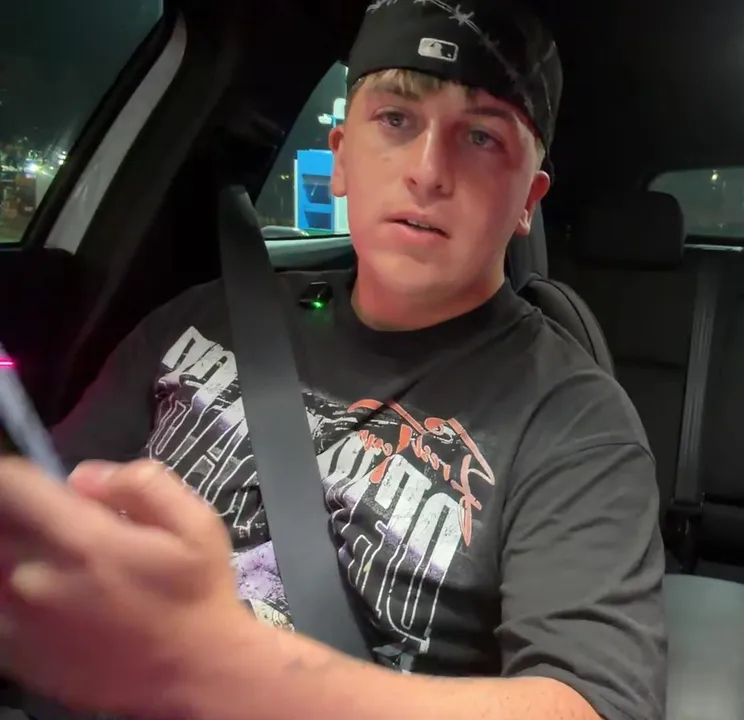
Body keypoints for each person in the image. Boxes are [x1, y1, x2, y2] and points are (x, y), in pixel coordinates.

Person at [0, 2, 667, 719]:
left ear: (528, 199)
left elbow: (593, 704)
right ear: (342, 158)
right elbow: (34, 524)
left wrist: (222, 667)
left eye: (481, 137)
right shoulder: (206, 318)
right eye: (396, 120)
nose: (428, 172)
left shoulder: (575, 421)